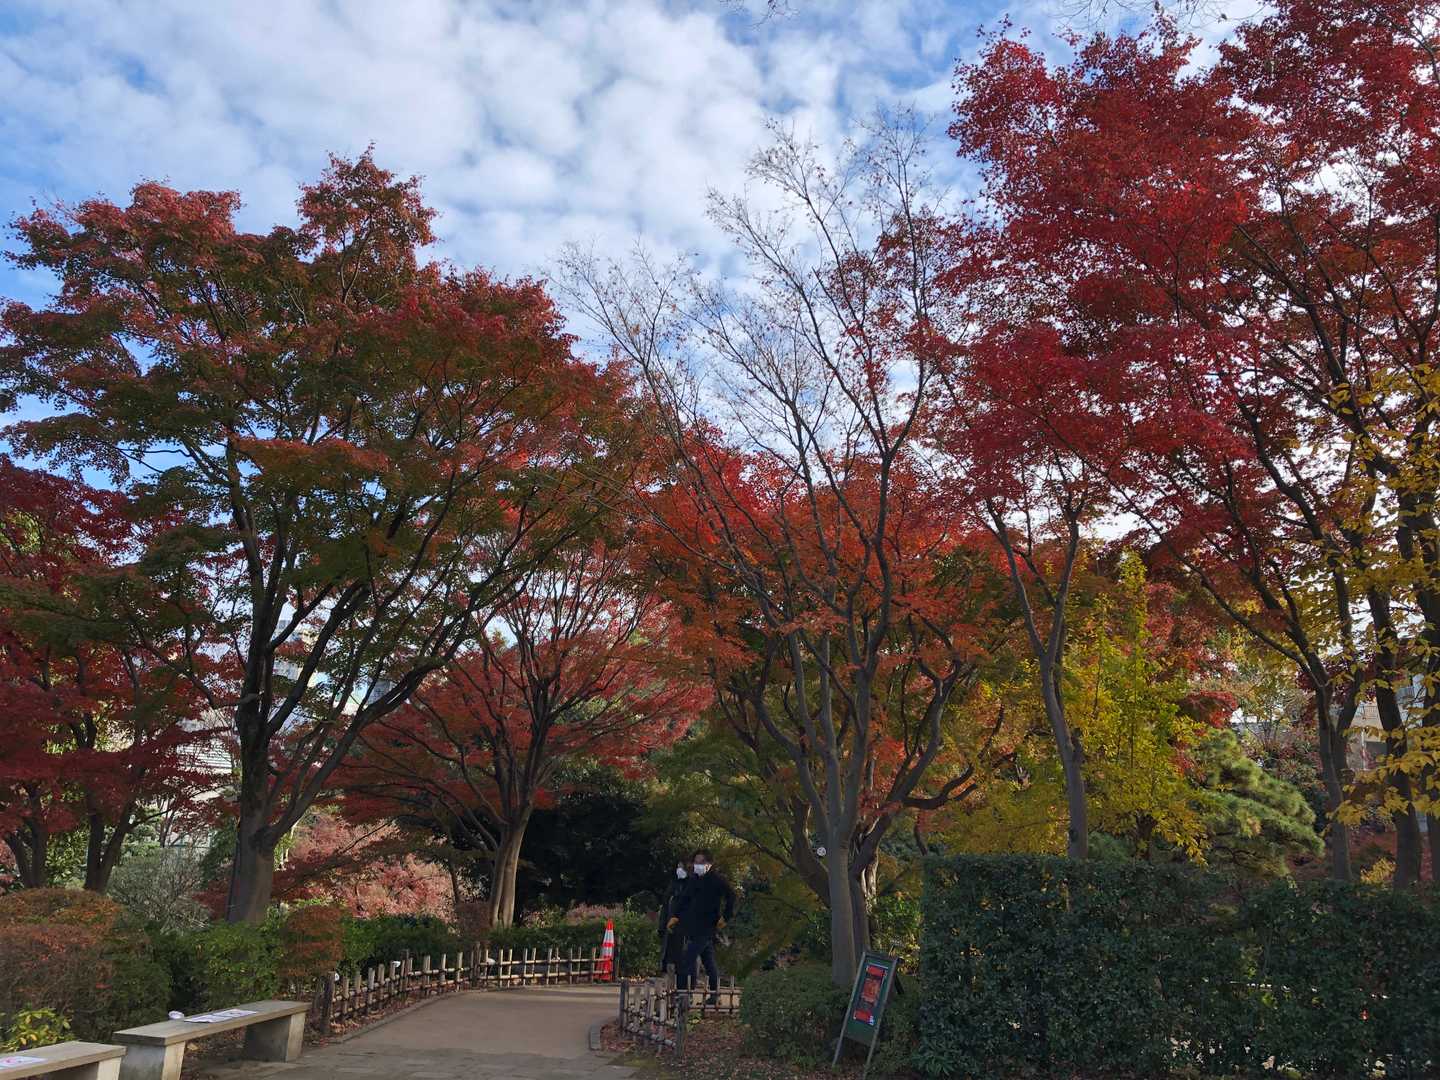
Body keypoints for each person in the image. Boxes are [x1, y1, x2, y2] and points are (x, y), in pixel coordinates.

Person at [667, 848, 735, 1002]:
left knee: (687, 959)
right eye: (696, 862)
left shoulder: (717, 880)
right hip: (693, 926)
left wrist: (726, 917)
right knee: (708, 961)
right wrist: (675, 916)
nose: (698, 865)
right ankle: (715, 994)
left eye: (701, 862)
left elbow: (731, 896)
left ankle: (684, 994)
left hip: (708, 926)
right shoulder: (694, 879)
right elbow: (685, 899)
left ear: (709, 864)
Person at [657, 859, 693, 982]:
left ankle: (684, 984)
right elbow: (665, 907)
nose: (679, 870)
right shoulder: (673, 885)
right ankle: (670, 984)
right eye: (678, 867)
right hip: (670, 928)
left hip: (684, 929)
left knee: (683, 958)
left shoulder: (691, 885)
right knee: (669, 958)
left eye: (681, 867)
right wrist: (661, 926)